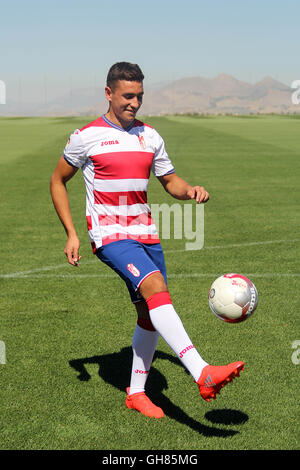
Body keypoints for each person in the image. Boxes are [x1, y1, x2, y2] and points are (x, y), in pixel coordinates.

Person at [50, 62, 244, 419]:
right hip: (110, 236)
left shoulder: (150, 136)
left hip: (146, 235)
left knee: (150, 315)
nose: (134, 103)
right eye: (127, 96)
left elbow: (170, 180)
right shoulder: (85, 136)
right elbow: (57, 180)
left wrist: (190, 191)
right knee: (156, 288)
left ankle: (136, 393)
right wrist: (72, 233)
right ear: (108, 93)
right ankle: (202, 371)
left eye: (139, 96)